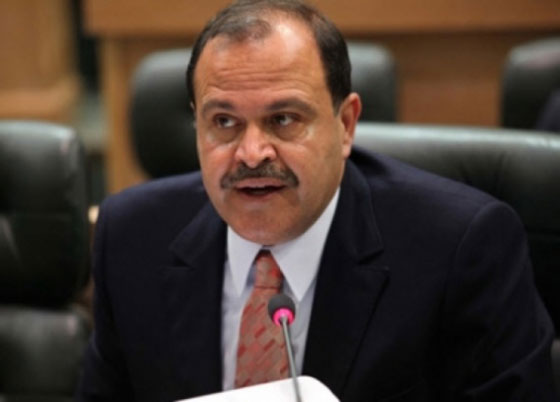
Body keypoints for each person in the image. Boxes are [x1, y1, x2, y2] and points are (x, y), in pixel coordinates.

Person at [77, 0, 558, 400]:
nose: (251, 153)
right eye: (223, 122)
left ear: (345, 125)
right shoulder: (132, 237)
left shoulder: (461, 249)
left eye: (283, 119)